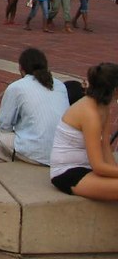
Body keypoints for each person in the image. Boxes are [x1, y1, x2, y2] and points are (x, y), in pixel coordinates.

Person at [49, 62, 118, 200]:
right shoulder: (90, 114)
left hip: (86, 168)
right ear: (115, 89)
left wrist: (114, 171)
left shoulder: (103, 106)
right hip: (67, 173)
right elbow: (98, 166)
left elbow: (105, 145)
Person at [0, 47, 70, 165]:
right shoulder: (60, 85)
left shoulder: (16, 87)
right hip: (62, 153)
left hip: (36, 153)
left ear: (21, 68)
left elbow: (4, 126)